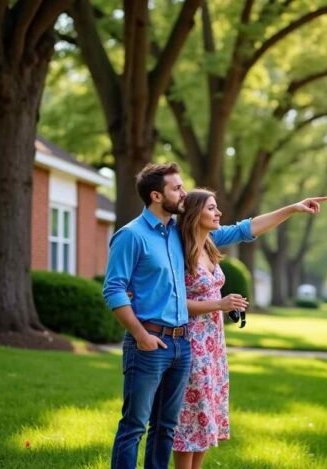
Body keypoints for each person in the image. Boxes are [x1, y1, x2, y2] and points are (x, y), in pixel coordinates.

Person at [103, 163, 260, 469]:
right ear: (156, 196)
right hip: (149, 342)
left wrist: (293, 208)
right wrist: (140, 335)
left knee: (166, 428)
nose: (184, 193)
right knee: (134, 425)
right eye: (177, 188)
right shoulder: (131, 235)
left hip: (182, 344)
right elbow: (114, 289)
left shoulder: (177, 235)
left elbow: (241, 230)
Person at [172, 188, 327, 469]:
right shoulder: (177, 249)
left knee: (207, 413)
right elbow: (172, 302)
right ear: (195, 213)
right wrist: (218, 304)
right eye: (211, 208)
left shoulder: (210, 242)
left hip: (213, 345)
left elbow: (249, 228)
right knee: (190, 416)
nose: (218, 213)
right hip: (190, 343)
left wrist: (293, 208)